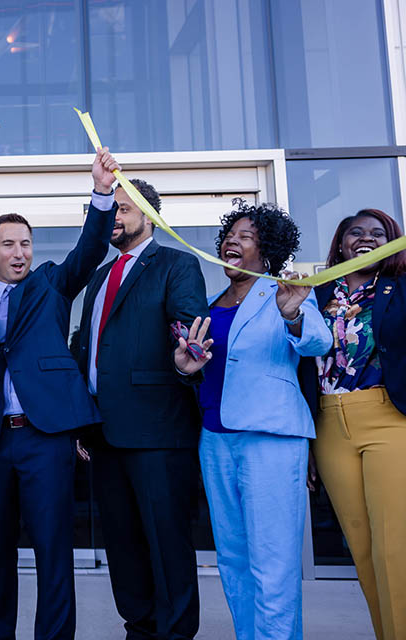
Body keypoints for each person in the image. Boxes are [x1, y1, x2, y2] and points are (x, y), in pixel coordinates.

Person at [0, 149, 119, 640]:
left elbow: (91, 249)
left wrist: (101, 193)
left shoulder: (52, 283)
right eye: (8, 244)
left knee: (53, 551)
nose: (18, 253)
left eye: (25, 244)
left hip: (44, 438)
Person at [182, 200, 330, 639]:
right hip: (215, 440)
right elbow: (205, 371)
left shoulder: (284, 293)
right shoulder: (208, 305)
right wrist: (185, 366)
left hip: (270, 439)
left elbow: (318, 343)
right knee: (233, 559)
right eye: (231, 235)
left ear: (267, 251)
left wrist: (293, 313)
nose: (233, 241)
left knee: (273, 560)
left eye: (246, 236)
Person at [74, 175, 209, 639]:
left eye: (124, 208)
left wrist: (184, 360)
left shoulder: (176, 264)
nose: (114, 216)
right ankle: (139, 628)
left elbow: (188, 331)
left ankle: (173, 634)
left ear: (149, 215)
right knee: (124, 544)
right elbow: (85, 346)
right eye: (110, 208)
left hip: (157, 430)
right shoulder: (98, 276)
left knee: (166, 544)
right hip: (103, 433)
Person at [307, 209, 406, 640]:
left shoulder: (400, 287)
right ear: (341, 243)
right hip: (329, 425)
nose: (365, 238)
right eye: (355, 232)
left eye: (377, 233)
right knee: (361, 549)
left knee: (394, 547)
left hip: (387, 418)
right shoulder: (316, 291)